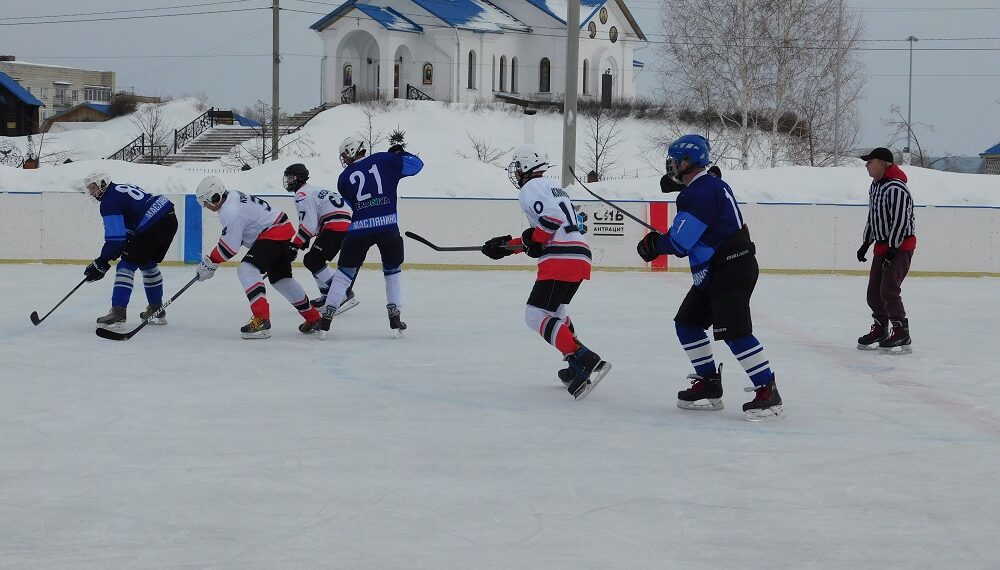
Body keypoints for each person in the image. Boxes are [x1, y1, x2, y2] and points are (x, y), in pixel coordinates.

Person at [636, 134, 782, 421]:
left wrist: (654, 245)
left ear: (688, 162)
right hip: (716, 269)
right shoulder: (707, 186)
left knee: (736, 333)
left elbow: (680, 243)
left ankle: (767, 390)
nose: (672, 166)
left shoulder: (699, 193)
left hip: (730, 268)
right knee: (688, 324)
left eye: (676, 161)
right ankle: (709, 383)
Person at [480, 144, 611, 400]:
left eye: (518, 166)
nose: (516, 172)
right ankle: (576, 364)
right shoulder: (554, 188)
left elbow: (550, 220)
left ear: (528, 166)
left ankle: (583, 358)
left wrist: (534, 239)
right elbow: (545, 232)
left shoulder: (531, 187)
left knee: (535, 314)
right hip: (579, 254)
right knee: (556, 312)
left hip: (561, 257)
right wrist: (508, 246)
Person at [311, 136, 423, 336]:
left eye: (345, 154)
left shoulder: (344, 178)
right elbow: (417, 166)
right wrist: (399, 154)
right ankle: (395, 316)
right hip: (388, 226)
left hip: (359, 229)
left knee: (345, 272)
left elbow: (352, 203)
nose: (344, 159)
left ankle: (327, 317)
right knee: (392, 270)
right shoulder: (384, 159)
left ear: (353, 151)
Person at [193, 176, 322, 339]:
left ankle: (261, 320)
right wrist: (213, 262)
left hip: (273, 233)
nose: (205, 206)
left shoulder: (230, 210)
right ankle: (314, 318)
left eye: (206, 202)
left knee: (246, 269)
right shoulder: (233, 196)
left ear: (214, 197)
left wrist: (210, 262)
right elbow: (237, 237)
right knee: (281, 279)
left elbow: (229, 248)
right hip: (281, 230)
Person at [83, 170, 177, 328]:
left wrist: (101, 261)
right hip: (169, 218)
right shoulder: (120, 189)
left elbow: (116, 239)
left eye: (93, 188)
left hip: (152, 225)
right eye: (90, 189)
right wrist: (114, 251)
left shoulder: (109, 202)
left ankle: (118, 312)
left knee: (125, 266)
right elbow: (130, 227)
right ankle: (156, 308)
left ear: (102, 184)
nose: (92, 193)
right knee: (147, 263)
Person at [855, 147, 916, 354]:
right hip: (882, 245)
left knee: (888, 289)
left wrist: (892, 249)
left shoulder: (896, 188)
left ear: (883, 163)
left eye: (870, 162)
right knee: (874, 293)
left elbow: (900, 220)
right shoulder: (875, 186)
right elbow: (874, 217)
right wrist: (866, 242)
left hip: (900, 246)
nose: (866, 166)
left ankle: (901, 331)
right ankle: (881, 328)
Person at [282, 163, 358, 314]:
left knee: (312, 260)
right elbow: (317, 220)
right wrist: (306, 237)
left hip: (337, 225)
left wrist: (294, 245)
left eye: (291, 178)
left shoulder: (302, 194)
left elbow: (308, 225)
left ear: (299, 178)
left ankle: (340, 294)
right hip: (343, 224)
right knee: (314, 259)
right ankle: (327, 294)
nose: (288, 181)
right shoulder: (312, 189)